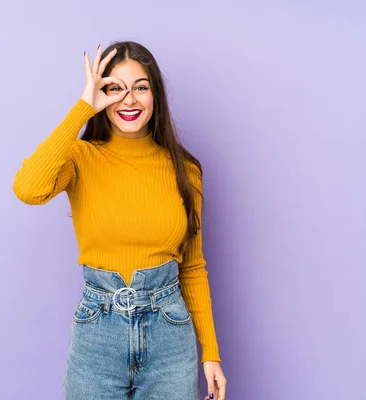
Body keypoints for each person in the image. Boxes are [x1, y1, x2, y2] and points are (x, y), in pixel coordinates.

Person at [12, 41, 227, 400]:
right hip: (98, 333)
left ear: (155, 94)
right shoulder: (81, 158)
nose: (129, 100)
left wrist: (211, 354)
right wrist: (83, 108)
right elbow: (28, 188)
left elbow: (192, 266)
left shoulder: (185, 170)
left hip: (170, 335)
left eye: (140, 87)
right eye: (115, 89)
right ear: (102, 95)